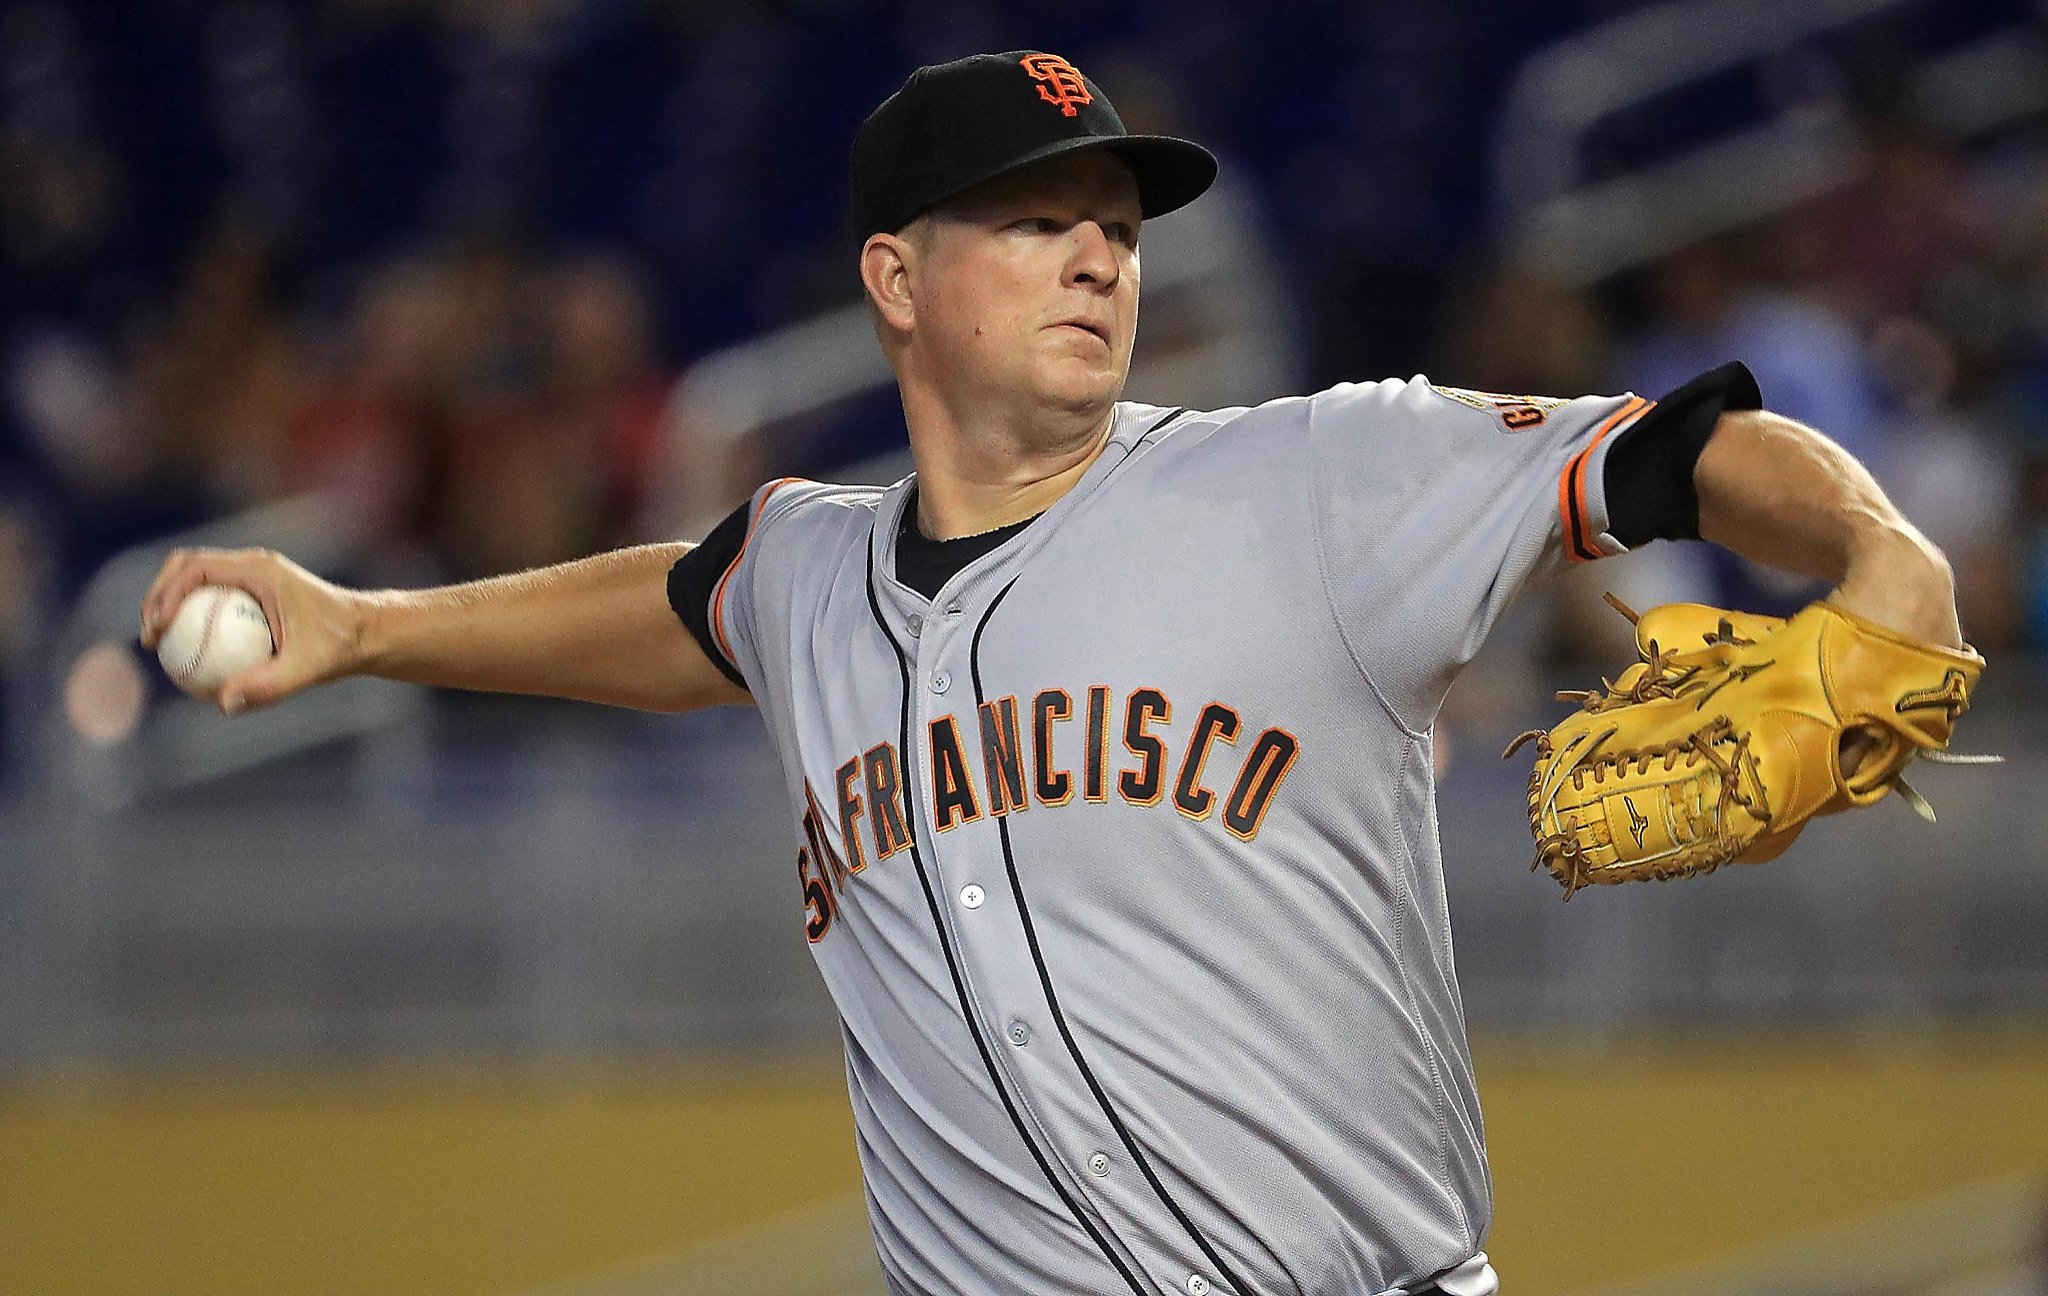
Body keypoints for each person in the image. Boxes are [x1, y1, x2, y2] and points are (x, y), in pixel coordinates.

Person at [140, 51, 1965, 1296]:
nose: (1098, 248)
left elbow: (1673, 451)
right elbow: (682, 607)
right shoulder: (807, 573)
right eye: (1032, 218)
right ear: (896, 278)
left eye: (1115, 216)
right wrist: (368, 626)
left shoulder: (1313, 478)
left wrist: (1884, 555)